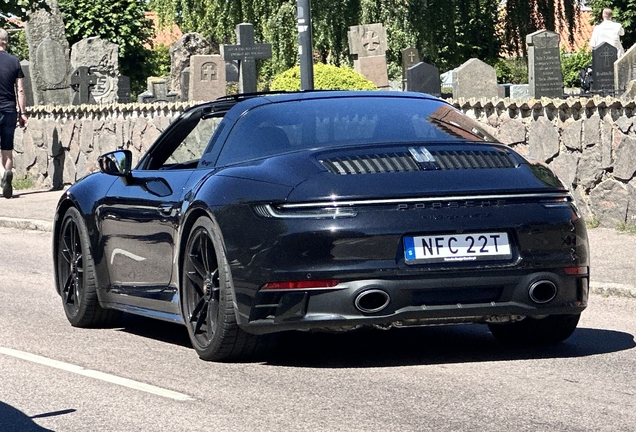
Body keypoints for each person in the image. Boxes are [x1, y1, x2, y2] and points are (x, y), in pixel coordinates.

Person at [0, 28, 27, 199]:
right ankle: (7, 173)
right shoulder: (15, 61)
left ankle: (3, 173)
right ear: (6, 42)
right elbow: (21, 90)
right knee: (7, 148)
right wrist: (22, 113)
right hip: (10, 109)